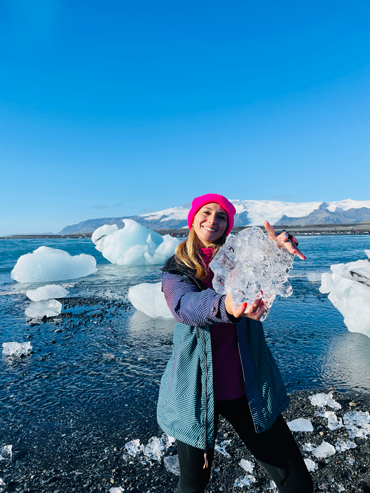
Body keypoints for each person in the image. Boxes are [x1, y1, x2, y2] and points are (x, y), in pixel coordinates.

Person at [157, 193, 313, 493]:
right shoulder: (177, 266)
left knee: (297, 482)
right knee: (192, 485)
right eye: (206, 212)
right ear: (193, 218)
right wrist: (226, 305)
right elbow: (184, 306)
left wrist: (279, 250)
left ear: (228, 225)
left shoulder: (240, 258)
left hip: (248, 386)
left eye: (222, 216)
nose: (213, 220)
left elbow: (265, 277)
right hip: (196, 391)